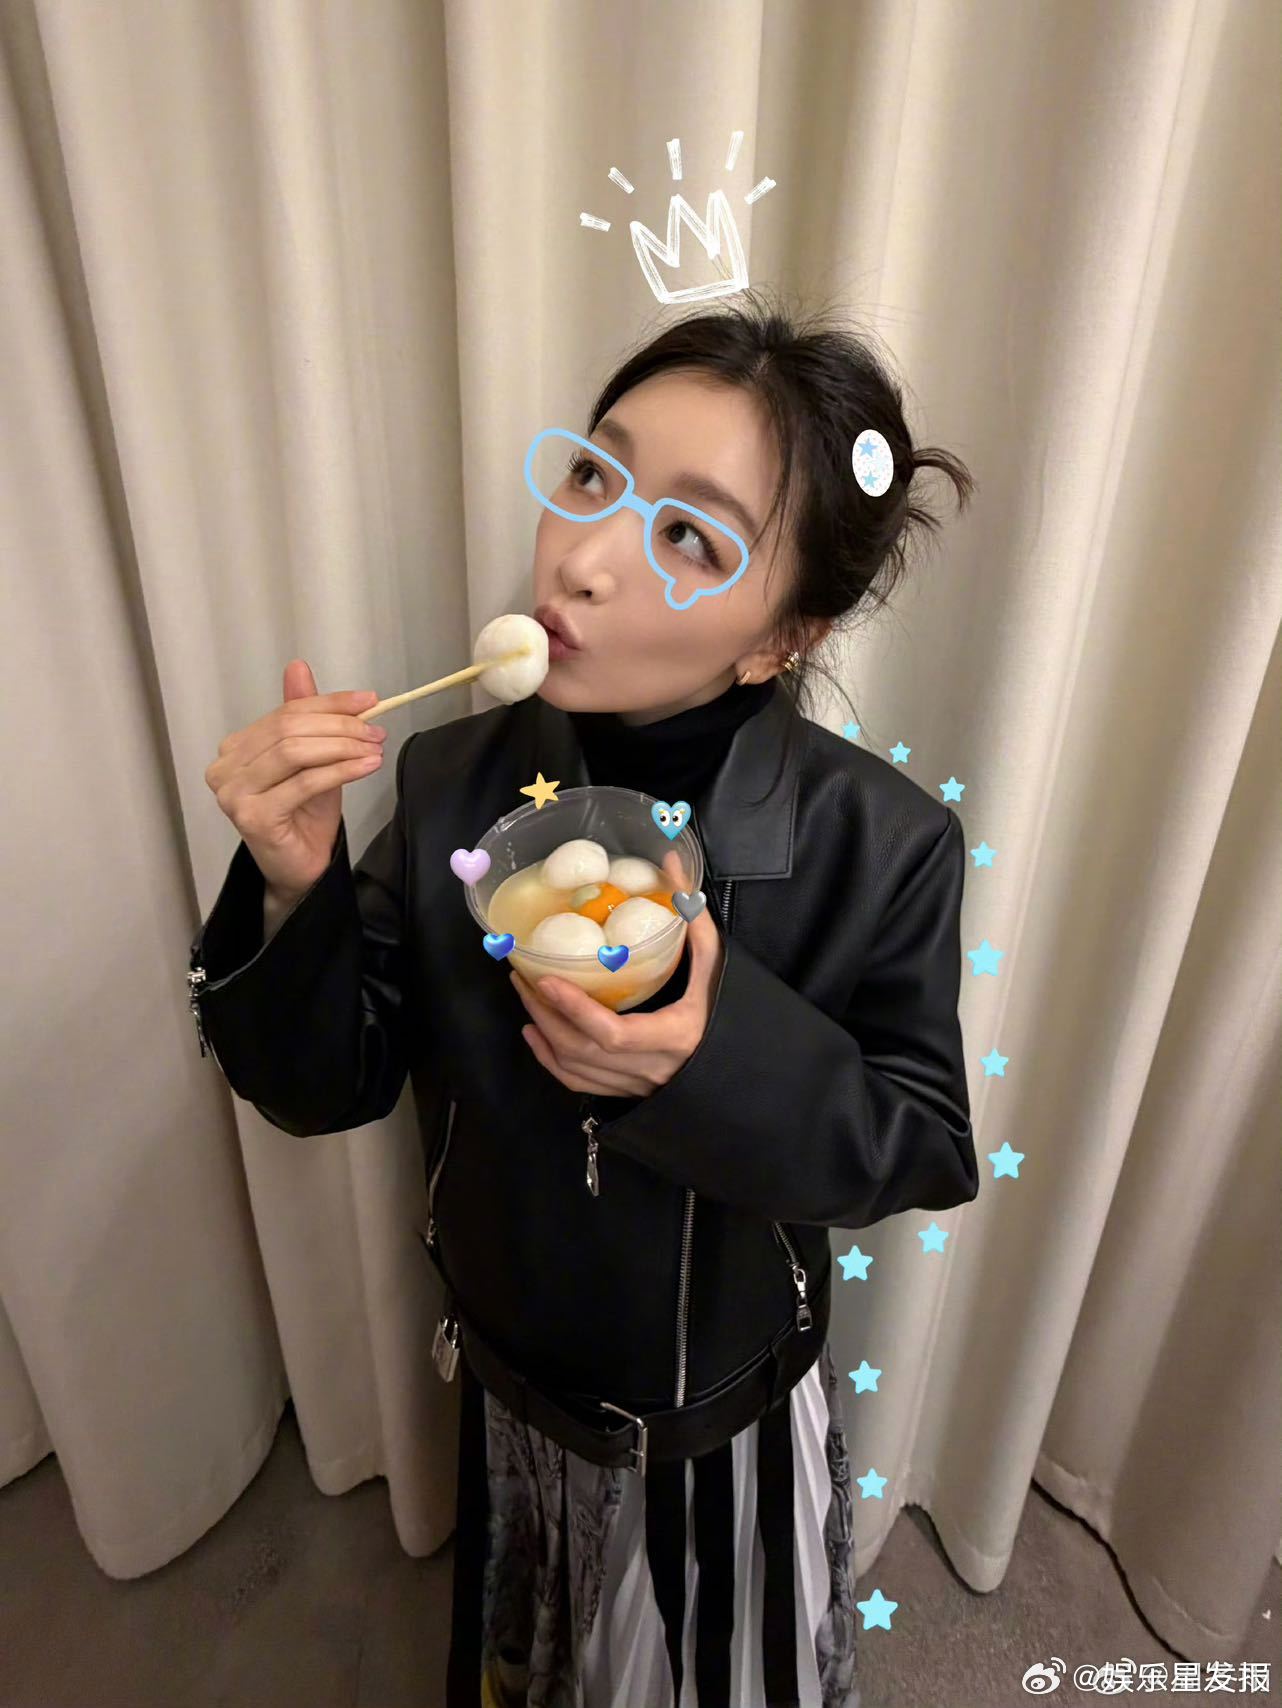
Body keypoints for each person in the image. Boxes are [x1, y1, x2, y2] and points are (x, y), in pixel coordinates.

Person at [190, 287, 979, 1708]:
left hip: (717, 1421)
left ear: (782, 639)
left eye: (688, 536)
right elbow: (325, 1082)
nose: (587, 556)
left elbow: (920, 1144)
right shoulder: (450, 781)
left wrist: (706, 1060)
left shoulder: (882, 843)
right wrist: (296, 887)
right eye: (593, 476)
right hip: (509, 1390)